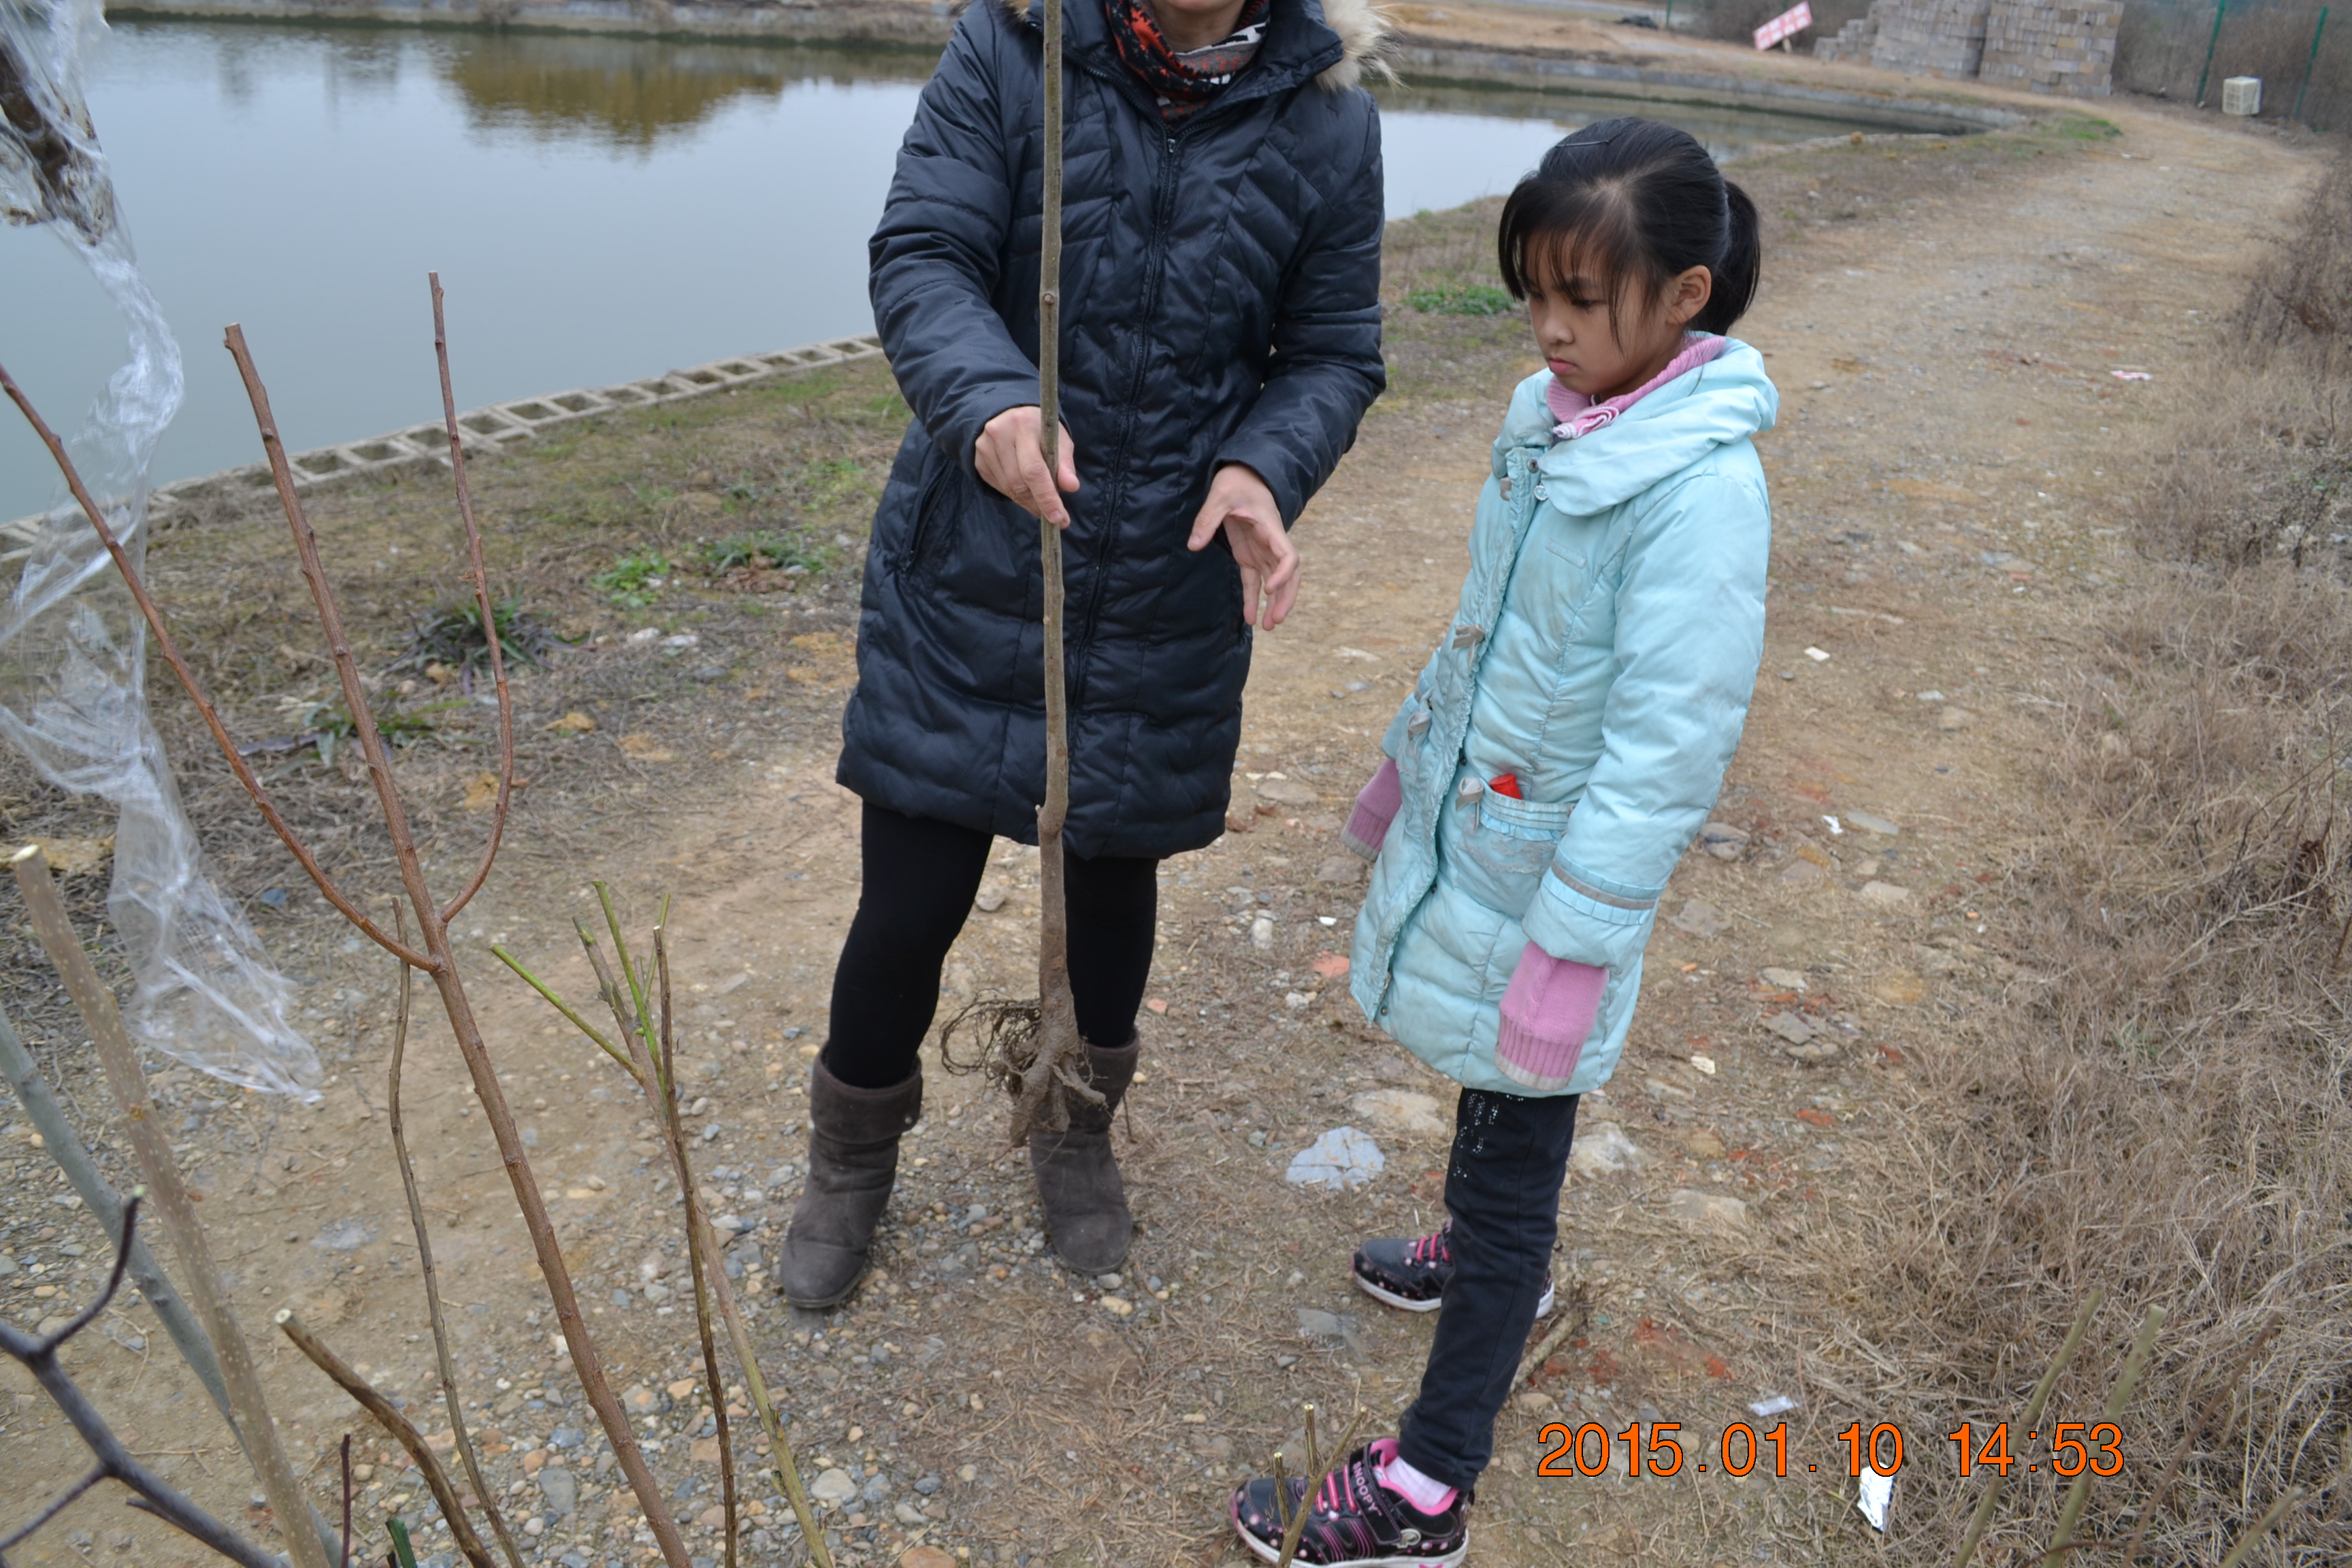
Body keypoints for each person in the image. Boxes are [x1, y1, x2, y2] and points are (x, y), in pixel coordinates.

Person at [777, 0, 1391, 1309]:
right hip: (977, 561)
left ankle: (1074, 1122)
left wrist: (1259, 467)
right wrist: (991, 401)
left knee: (1113, 894)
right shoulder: (1015, 47)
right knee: (911, 897)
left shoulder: (1328, 116)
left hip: (1164, 586)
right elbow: (925, 254)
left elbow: (1331, 353)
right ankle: (851, 1157)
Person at [1229, 118, 1776, 1565]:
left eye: (1582, 302)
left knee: (1523, 1127)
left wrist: (1577, 950)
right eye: (1533, 291)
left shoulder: (1701, 495)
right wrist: (1405, 775)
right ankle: (1486, 1259)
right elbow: (1485, 640)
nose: (1547, 328)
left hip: (1558, 892)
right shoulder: (1553, 422)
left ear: (1685, 297)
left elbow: (1668, 759)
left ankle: (1428, 1489)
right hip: (1487, 838)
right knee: (1487, 1089)